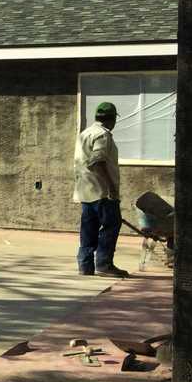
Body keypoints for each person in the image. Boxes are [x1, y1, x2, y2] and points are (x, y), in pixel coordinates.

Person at [73, 101, 129, 278]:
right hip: (102, 192)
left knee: (88, 229)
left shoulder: (85, 133)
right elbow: (98, 161)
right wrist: (111, 187)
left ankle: (85, 266)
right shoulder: (103, 135)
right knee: (111, 225)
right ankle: (104, 264)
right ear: (112, 119)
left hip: (86, 191)